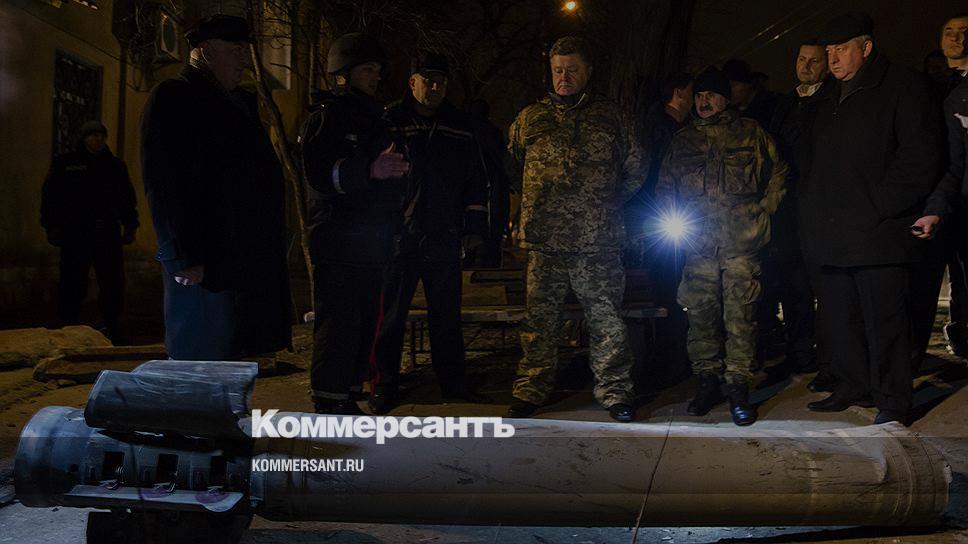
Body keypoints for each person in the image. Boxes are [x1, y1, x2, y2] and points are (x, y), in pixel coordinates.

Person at [802, 13, 940, 425]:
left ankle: (893, 398)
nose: (833, 59)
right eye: (829, 51)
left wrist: (880, 205)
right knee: (841, 318)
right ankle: (853, 383)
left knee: (885, 322)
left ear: (865, 47)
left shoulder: (902, 85)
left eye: (841, 50)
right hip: (830, 229)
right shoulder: (828, 94)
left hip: (879, 231)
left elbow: (920, 156)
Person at [505, 36, 645, 422]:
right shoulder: (530, 118)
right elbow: (513, 166)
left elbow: (636, 169)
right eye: (558, 70)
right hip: (545, 241)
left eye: (572, 69)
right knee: (539, 321)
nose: (564, 77)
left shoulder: (612, 118)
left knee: (606, 320)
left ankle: (615, 391)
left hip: (597, 241)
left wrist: (603, 204)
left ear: (588, 72)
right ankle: (531, 388)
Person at [140, 14, 291, 361]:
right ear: (206, 51)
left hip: (242, 263)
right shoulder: (175, 97)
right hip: (205, 267)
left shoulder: (238, 104)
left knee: (237, 365)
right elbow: (163, 182)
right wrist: (183, 256)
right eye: (235, 50)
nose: (244, 60)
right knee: (204, 364)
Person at [655, 66, 788, 426]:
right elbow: (665, 187)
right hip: (698, 247)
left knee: (741, 318)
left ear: (725, 99)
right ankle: (707, 382)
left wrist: (764, 210)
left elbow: (778, 173)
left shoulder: (751, 133)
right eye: (699, 96)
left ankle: (738, 387)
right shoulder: (683, 141)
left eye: (711, 95)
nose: (704, 102)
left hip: (740, 247)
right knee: (700, 318)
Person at [369, 51, 490, 413]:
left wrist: (474, 228)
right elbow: (377, 179)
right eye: (428, 80)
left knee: (446, 315)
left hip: (443, 234)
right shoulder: (390, 121)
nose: (435, 87)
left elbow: (474, 179)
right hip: (399, 236)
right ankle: (384, 384)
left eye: (441, 81)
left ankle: (453, 383)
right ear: (413, 82)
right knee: (391, 316)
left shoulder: (460, 125)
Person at [298, 33, 409, 414]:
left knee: (363, 324)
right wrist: (368, 170)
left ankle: (346, 394)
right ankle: (329, 400)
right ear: (342, 73)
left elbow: (388, 180)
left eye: (377, 70)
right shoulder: (325, 118)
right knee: (339, 323)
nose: (375, 77)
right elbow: (317, 176)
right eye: (367, 70)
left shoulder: (377, 119)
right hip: (337, 240)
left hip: (370, 243)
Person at [41, 120, 138, 342]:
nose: (98, 139)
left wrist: (130, 224)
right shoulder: (66, 164)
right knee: (73, 280)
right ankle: (69, 325)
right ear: (83, 138)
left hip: (106, 231)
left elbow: (126, 198)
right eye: (93, 135)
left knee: (111, 281)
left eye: (101, 135)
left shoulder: (114, 166)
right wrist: (51, 226)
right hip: (76, 232)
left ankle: (112, 325)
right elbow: (51, 196)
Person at [627, 72, 694, 385]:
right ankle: (670, 359)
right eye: (692, 92)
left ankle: (673, 357)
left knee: (674, 292)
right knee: (669, 292)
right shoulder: (661, 131)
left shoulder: (671, 128)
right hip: (665, 224)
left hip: (668, 223)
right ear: (678, 93)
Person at [915, 13, 968, 358]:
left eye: (964, 32)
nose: (957, 38)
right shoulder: (928, 89)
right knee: (927, 278)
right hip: (934, 197)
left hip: (959, 196)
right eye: (950, 32)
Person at [468, 98, 511, 269]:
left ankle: (473, 258)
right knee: (494, 227)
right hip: (495, 185)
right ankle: (491, 260)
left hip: (475, 186)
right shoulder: (494, 132)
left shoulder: (466, 131)